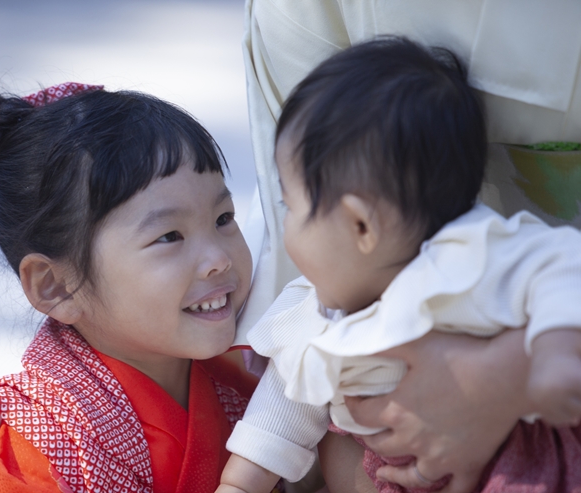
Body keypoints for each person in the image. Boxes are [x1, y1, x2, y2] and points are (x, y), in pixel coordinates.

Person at [236, 1, 581, 491]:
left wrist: (550, 355)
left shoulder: (476, 254)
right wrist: (239, 483)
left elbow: (563, 266)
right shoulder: (312, 312)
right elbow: (279, 412)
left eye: (291, 207)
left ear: (361, 227)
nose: (284, 226)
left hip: (521, 467)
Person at [0, 81, 258, 493]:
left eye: (223, 218)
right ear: (56, 286)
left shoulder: (251, 371)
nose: (219, 259)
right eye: (170, 236)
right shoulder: (43, 442)